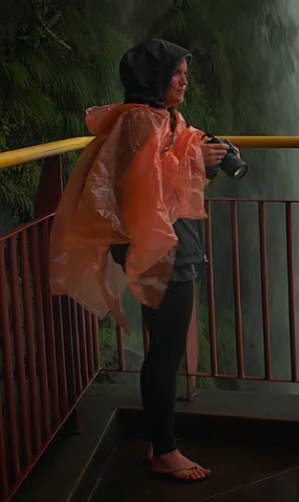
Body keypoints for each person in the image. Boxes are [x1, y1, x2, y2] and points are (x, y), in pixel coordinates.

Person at [50, 39, 231, 481]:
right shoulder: (137, 121)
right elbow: (141, 187)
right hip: (161, 249)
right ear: (154, 78)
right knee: (165, 351)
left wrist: (200, 160)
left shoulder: (161, 117)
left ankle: (159, 440)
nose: (184, 79)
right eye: (176, 72)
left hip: (170, 242)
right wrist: (196, 159)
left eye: (185, 71)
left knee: (164, 348)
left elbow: (164, 178)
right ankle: (165, 451)